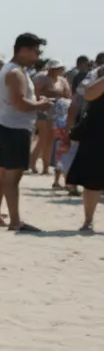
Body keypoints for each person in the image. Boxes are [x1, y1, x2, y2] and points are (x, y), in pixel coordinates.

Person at [0, 33, 53, 231]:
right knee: (12, 177)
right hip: (15, 128)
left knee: (1, 174)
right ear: (24, 50)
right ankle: (15, 221)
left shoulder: (11, 70)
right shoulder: (16, 72)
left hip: (6, 125)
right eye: (35, 51)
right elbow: (20, 103)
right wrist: (41, 105)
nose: (37, 56)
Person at [66, 69, 104, 232]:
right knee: (92, 182)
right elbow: (88, 94)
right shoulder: (97, 77)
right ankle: (88, 221)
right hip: (97, 135)